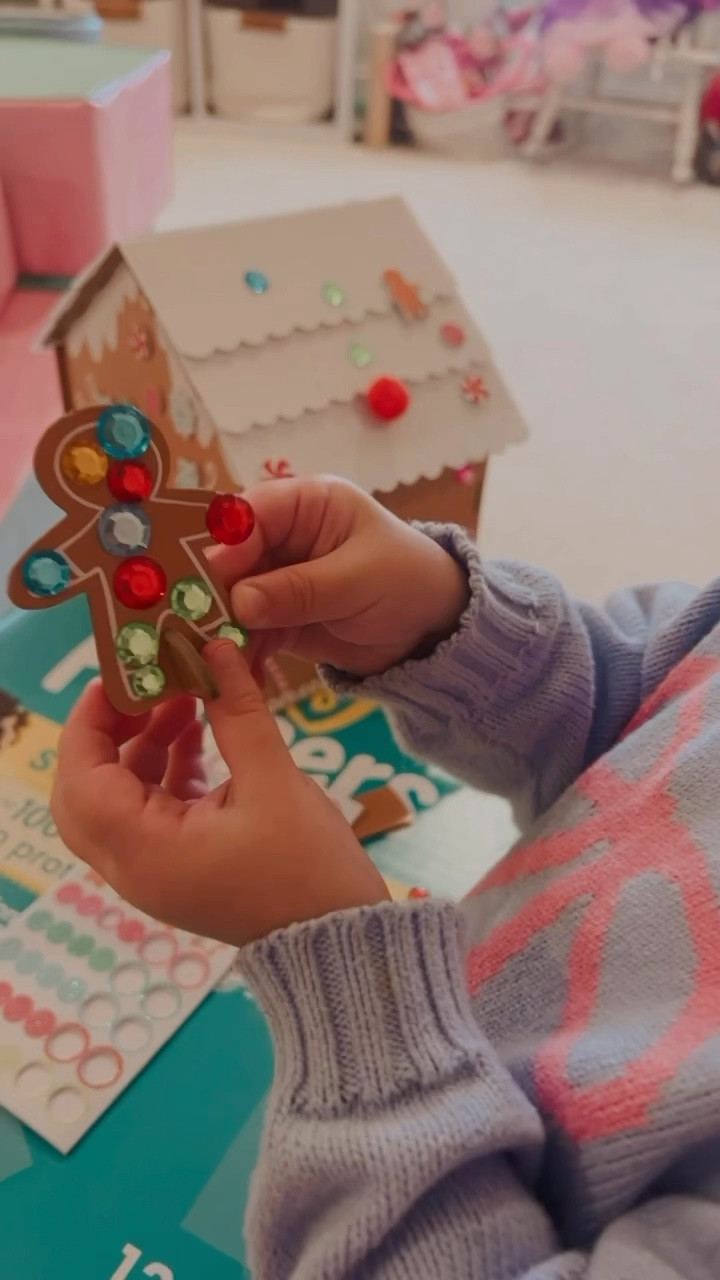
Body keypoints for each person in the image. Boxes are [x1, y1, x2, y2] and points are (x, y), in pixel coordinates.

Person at [52, 476, 720, 1278]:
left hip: (380, 1138)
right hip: (406, 1049)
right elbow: (657, 703)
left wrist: (344, 977)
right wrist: (449, 631)